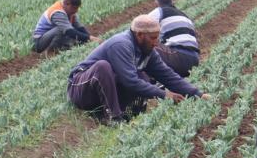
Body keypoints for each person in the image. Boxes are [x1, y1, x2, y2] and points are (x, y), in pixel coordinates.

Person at [67, 14, 208, 123]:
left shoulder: (148, 51)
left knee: (142, 76)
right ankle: (114, 118)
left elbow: (167, 75)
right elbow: (131, 82)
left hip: (100, 91)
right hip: (80, 88)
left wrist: (198, 94)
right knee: (103, 67)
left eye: (157, 38)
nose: (156, 43)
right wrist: (164, 95)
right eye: (153, 38)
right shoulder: (121, 44)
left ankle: (130, 114)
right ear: (139, 35)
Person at [148, 0, 201, 77]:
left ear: (156, 2)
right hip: (194, 59)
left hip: (177, 56)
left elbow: (140, 26)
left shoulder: (160, 11)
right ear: (172, 1)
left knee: (143, 47)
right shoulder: (185, 16)